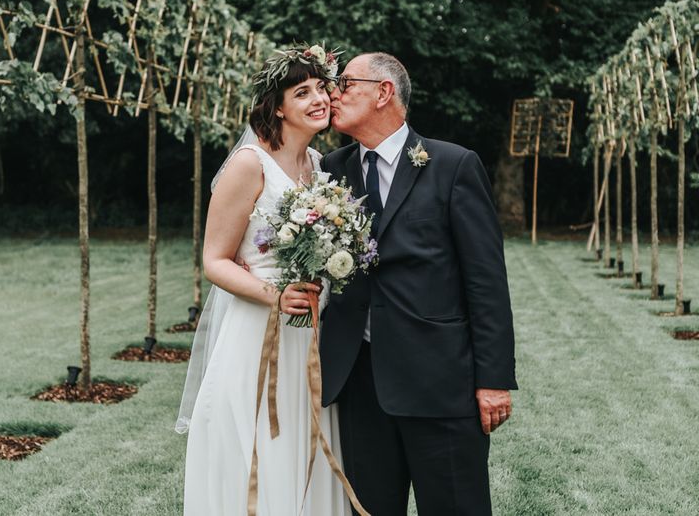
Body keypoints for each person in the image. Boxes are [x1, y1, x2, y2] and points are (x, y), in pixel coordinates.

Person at [320, 52, 518, 516]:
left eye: (346, 83)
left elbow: (487, 282)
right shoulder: (331, 169)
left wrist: (493, 380)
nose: (334, 93)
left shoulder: (453, 166)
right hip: (359, 385)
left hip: (441, 384)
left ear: (384, 92)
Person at [177, 46, 350, 515]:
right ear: (277, 106)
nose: (319, 99)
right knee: (261, 446)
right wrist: (277, 295)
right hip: (258, 334)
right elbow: (214, 260)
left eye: (321, 88)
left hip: (311, 338)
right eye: (302, 92)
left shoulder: (320, 164)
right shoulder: (249, 164)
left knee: (304, 443)